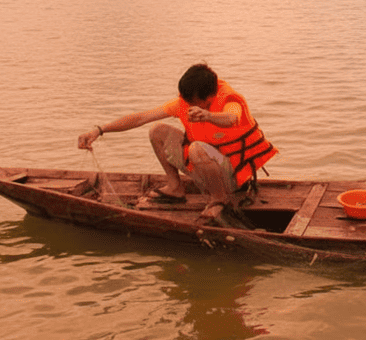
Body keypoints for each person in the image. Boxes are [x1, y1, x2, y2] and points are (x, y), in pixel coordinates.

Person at [77, 63, 277, 223]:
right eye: (187, 101)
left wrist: (208, 115)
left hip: (234, 178)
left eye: (195, 102)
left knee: (197, 148)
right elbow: (141, 118)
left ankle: (219, 199)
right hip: (205, 167)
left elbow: (232, 118)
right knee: (157, 130)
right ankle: (175, 187)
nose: (190, 106)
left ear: (210, 96)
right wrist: (99, 130)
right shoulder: (184, 102)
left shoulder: (229, 100)